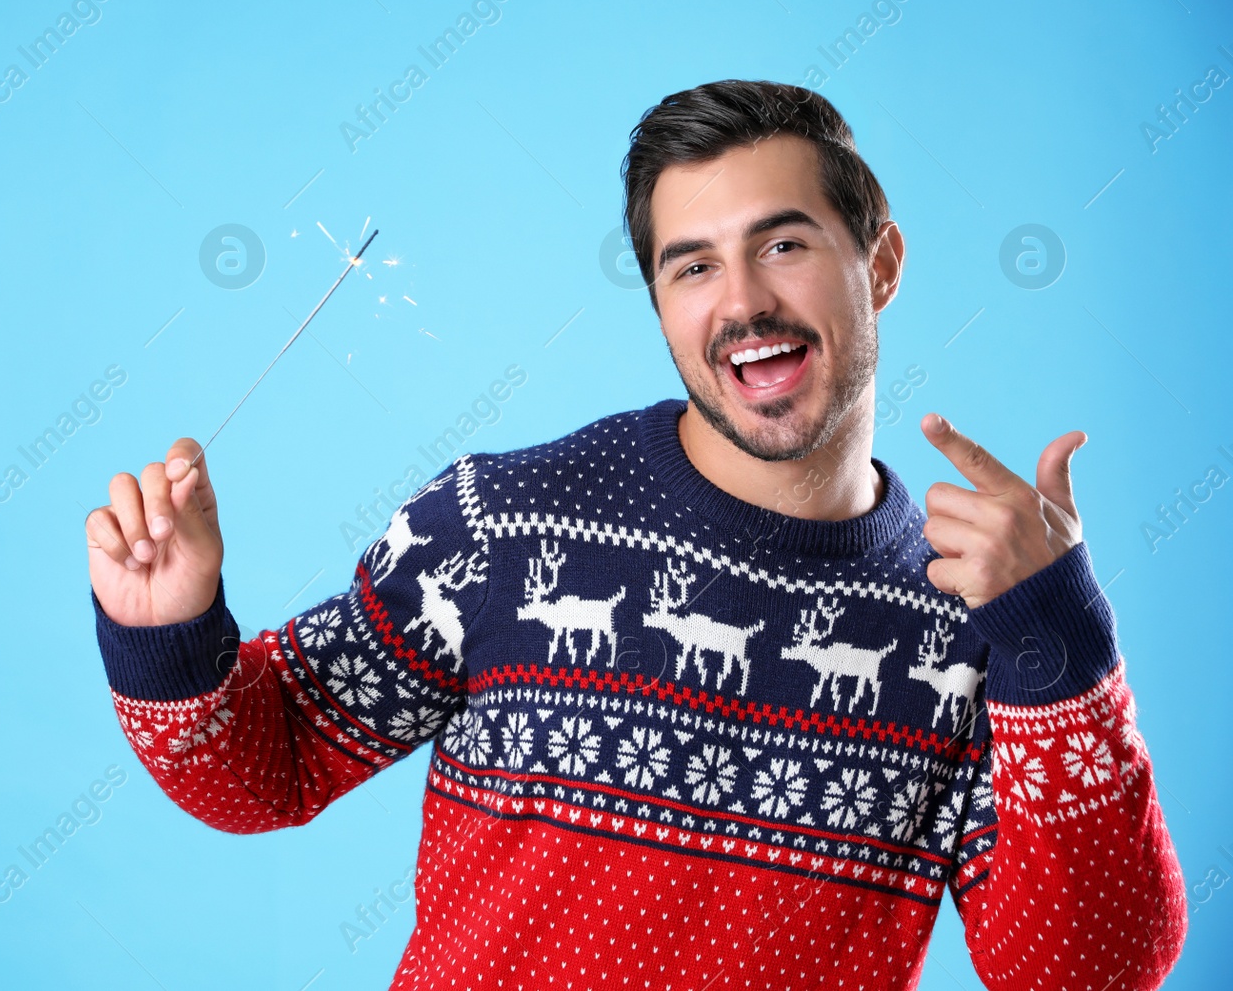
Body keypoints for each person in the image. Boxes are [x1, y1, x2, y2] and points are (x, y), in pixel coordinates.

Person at [84, 80, 1187, 990]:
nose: (741, 301)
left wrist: (1060, 650)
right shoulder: (497, 524)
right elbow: (261, 769)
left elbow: (1090, 970)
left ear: (880, 264)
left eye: (784, 243)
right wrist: (163, 629)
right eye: (692, 264)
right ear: (660, 301)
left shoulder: (979, 624)